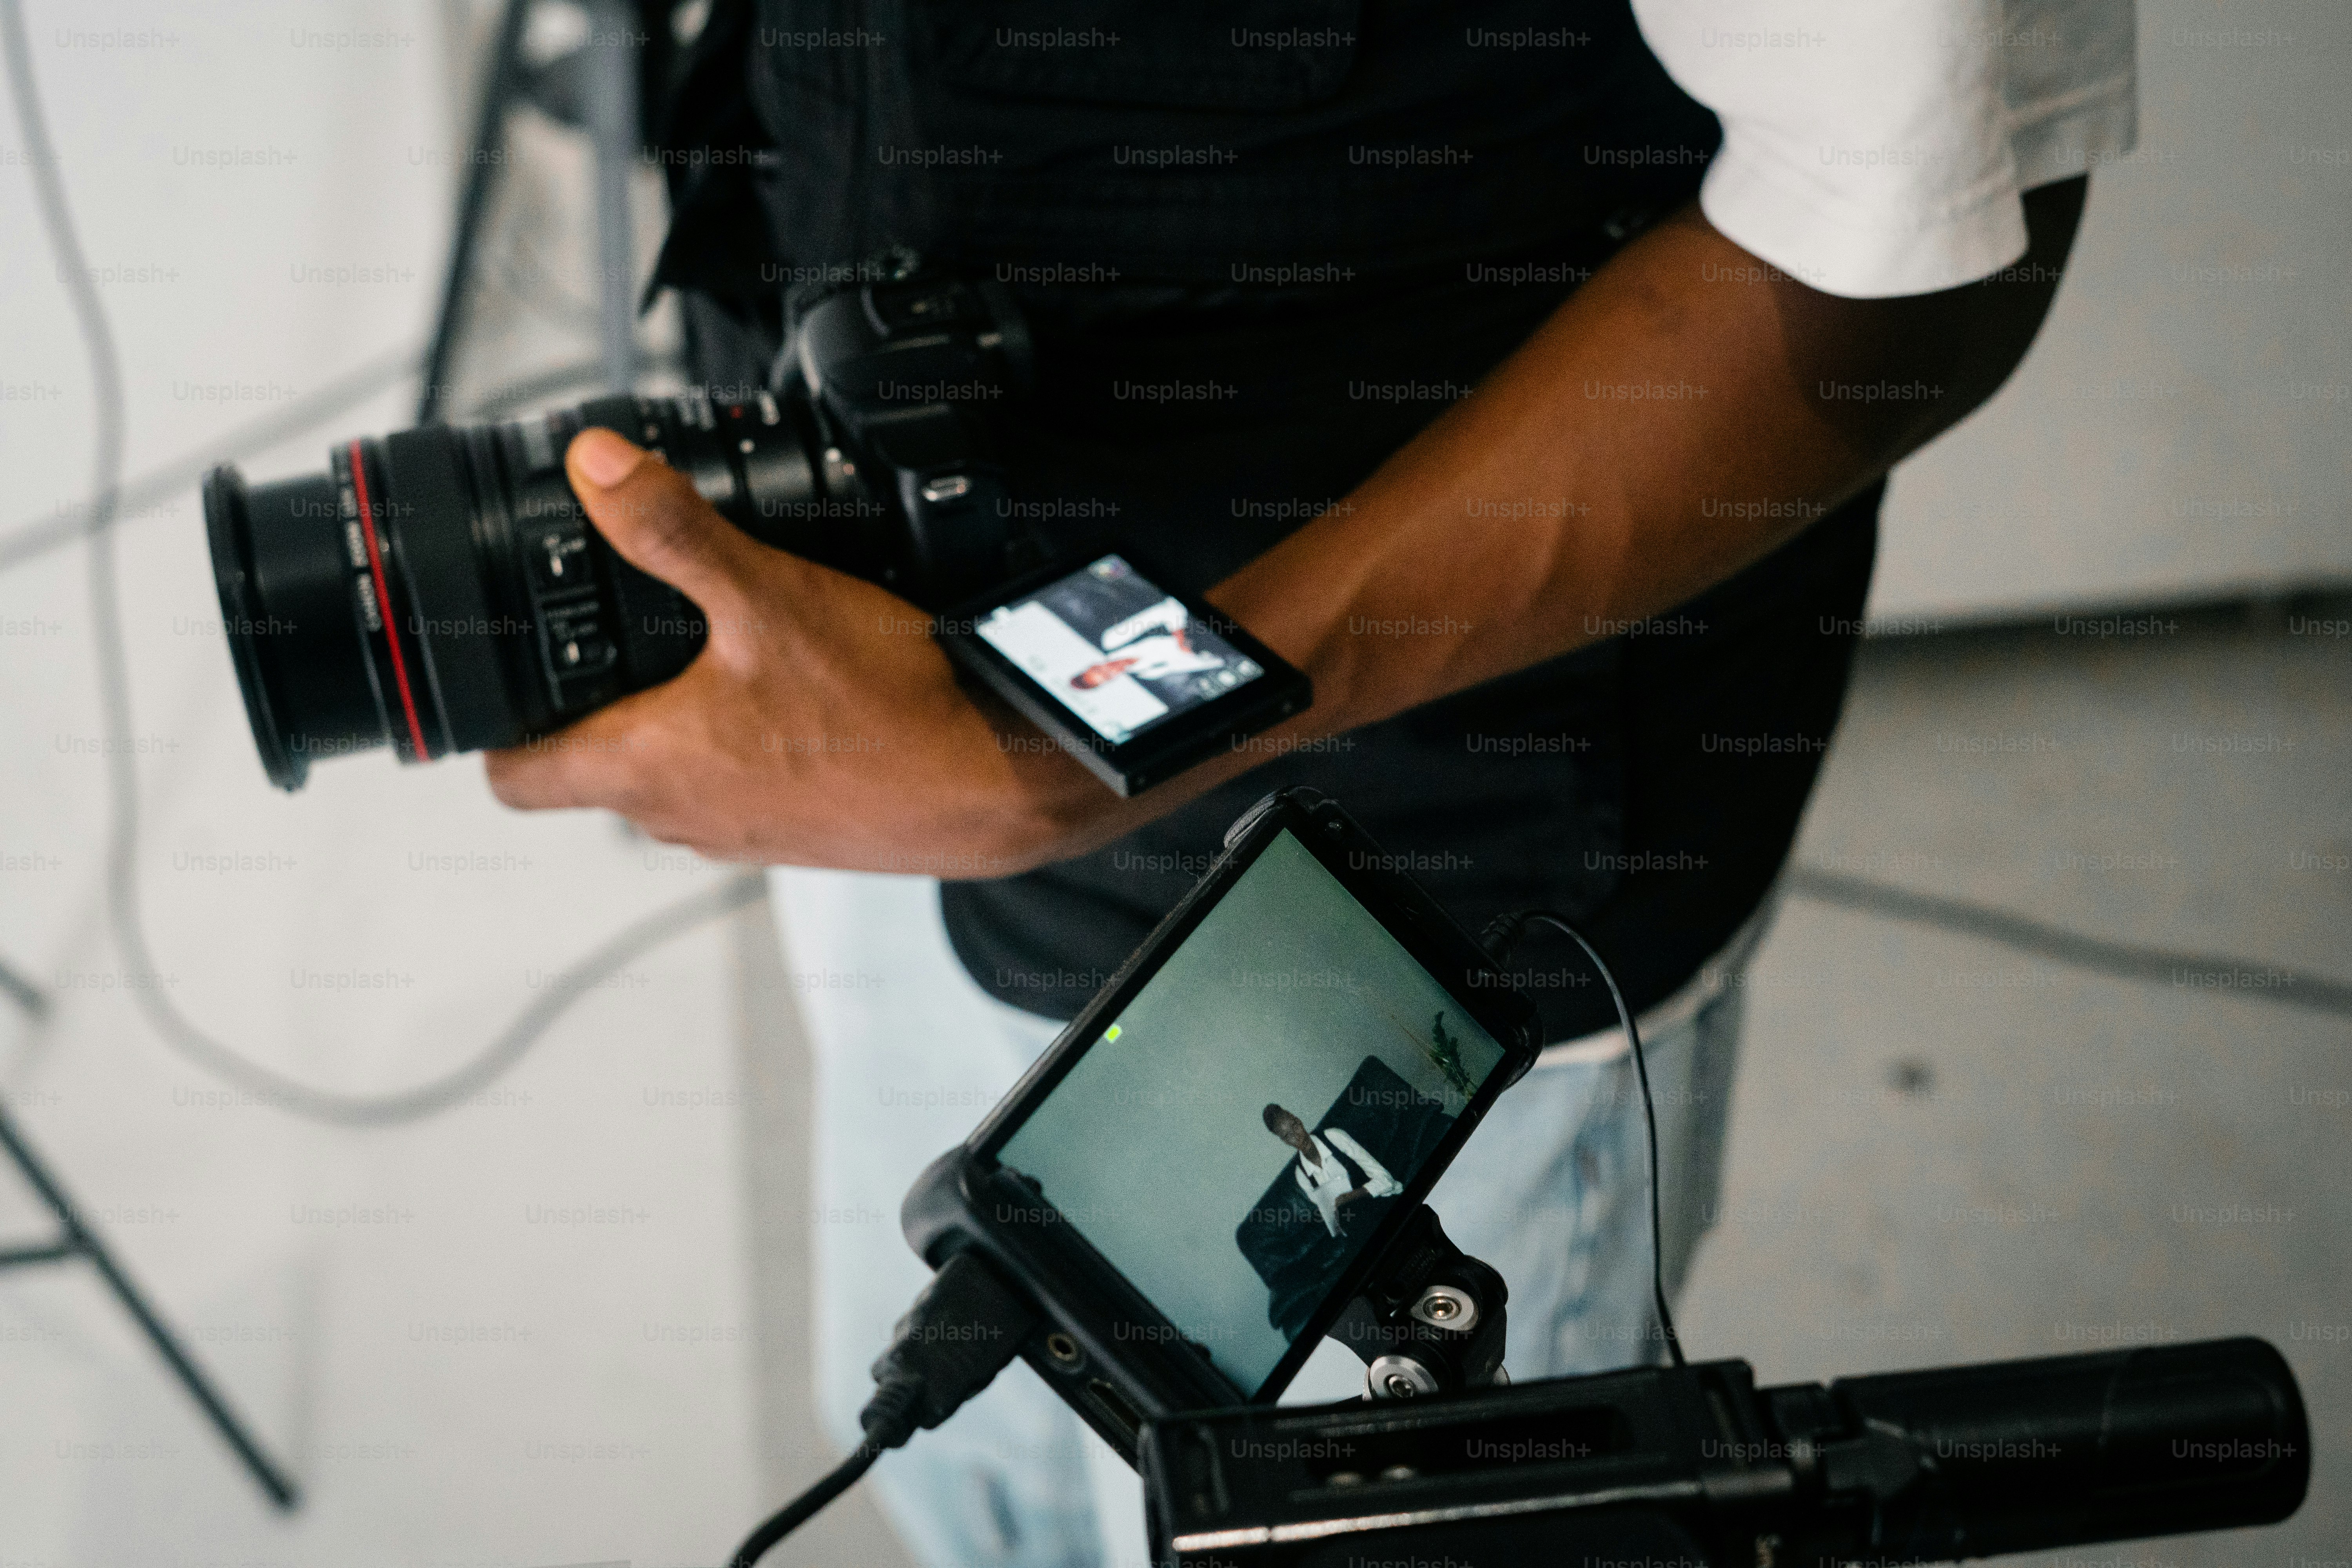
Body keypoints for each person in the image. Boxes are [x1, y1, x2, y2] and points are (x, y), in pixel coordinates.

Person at [481, 3, 2137, 1563]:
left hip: (1403, 886)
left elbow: (1911, 245)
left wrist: (1080, 745)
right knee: (976, 1478)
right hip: (882, 756)